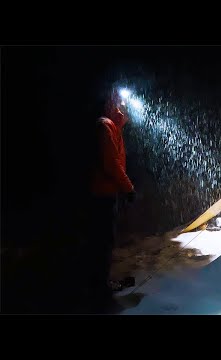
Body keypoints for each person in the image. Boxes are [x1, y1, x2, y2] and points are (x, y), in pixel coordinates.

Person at [88, 88, 136, 313]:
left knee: (106, 240)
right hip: (102, 194)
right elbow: (111, 163)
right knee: (102, 241)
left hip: (107, 193)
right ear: (108, 103)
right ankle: (98, 290)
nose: (121, 106)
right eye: (117, 102)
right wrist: (128, 188)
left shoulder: (113, 126)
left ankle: (102, 284)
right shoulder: (104, 126)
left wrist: (122, 117)